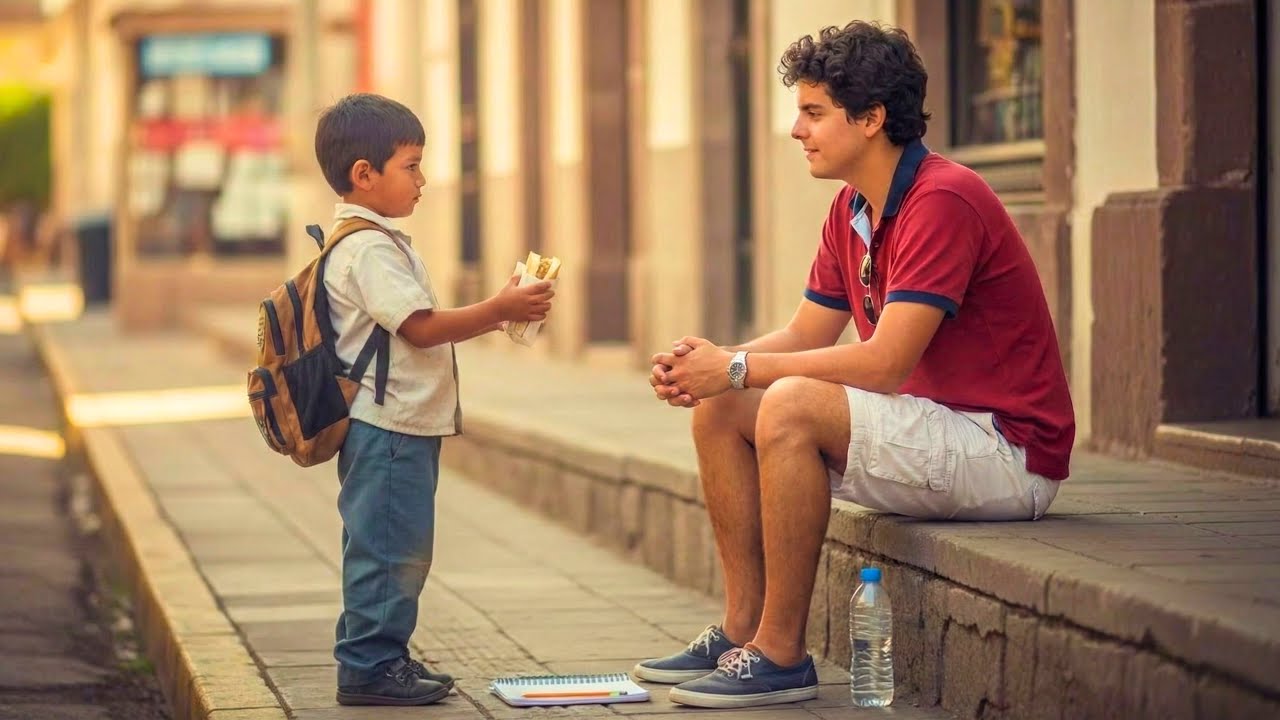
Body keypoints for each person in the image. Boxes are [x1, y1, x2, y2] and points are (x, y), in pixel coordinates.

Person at [635, 21, 1075, 709]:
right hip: (930, 430)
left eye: (813, 112)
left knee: (785, 401)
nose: (794, 129)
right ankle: (742, 631)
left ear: (871, 119)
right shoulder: (852, 208)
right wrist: (715, 363)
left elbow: (884, 364)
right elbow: (807, 330)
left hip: (1006, 452)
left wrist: (741, 370)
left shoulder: (943, 199)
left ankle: (781, 655)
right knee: (726, 405)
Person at [314, 93, 555, 706]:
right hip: (387, 426)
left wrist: (499, 310)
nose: (423, 179)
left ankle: (381, 654)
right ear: (363, 175)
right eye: (412, 166)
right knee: (388, 549)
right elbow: (419, 326)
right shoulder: (366, 247)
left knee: (395, 546)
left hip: (400, 424)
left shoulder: (379, 240)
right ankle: (369, 666)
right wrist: (499, 311)